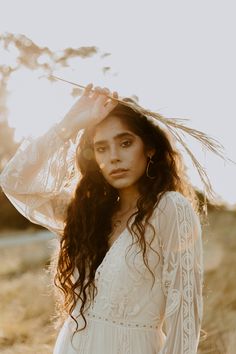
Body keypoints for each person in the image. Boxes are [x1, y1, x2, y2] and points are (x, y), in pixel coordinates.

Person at [0, 84, 204, 354]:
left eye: (125, 143)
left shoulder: (170, 209)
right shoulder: (87, 214)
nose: (114, 157)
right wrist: (68, 125)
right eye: (101, 148)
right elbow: (15, 182)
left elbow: (184, 317)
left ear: (150, 148)